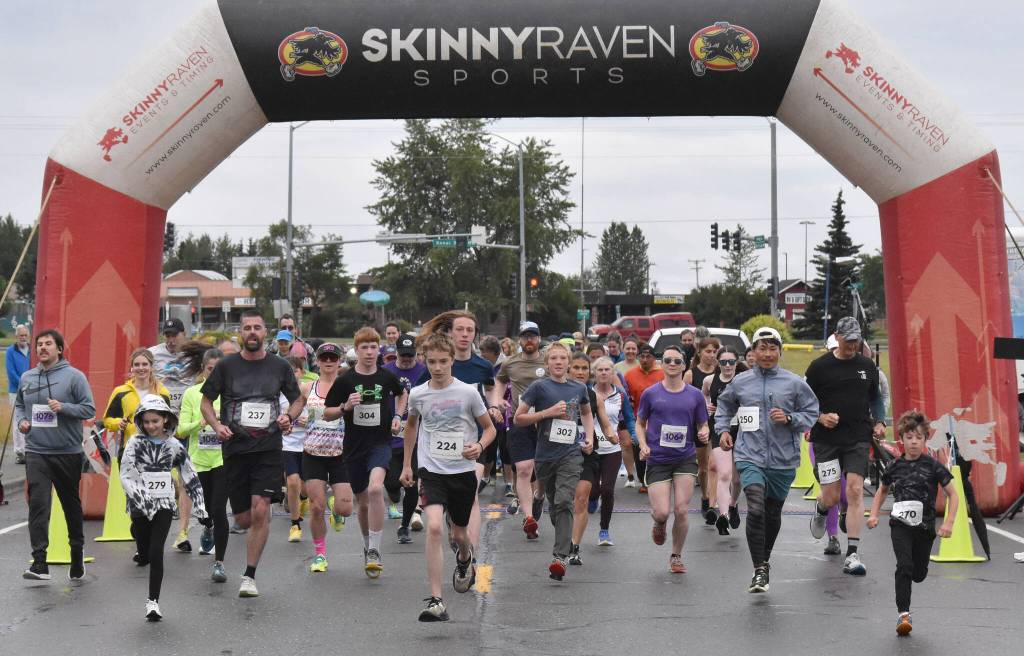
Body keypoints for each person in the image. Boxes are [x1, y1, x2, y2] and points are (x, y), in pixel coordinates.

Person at [200, 310, 304, 598]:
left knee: (261, 509)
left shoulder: (279, 366)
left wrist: (288, 418)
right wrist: (217, 425)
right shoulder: (226, 366)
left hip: (268, 448)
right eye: (247, 328)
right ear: (241, 333)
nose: (252, 332)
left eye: (257, 327)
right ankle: (250, 525)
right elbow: (206, 402)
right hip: (235, 449)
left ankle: (249, 575)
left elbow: (298, 400)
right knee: (244, 519)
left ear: (265, 332)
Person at [716, 327, 819, 593]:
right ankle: (759, 569)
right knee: (757, 507)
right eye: (762, 348)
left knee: (772, 514)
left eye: (773, 348)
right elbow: (725, 405)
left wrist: (790, 419)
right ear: (753, 352)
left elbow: (811, 410)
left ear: (780, 352)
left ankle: (765, 560)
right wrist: (724, 430)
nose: (767, 354)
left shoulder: (794, 382)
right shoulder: (741, 382)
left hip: (784, 460)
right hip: (749, 455)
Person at [401, 332, 496, 621]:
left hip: (462, 472)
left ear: (453, 360)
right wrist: (407, 465)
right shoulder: (418, 394)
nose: (438, 367)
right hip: (431, 471)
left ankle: (465, 559)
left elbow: (489, 429)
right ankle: (436, 600)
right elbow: (411, 428)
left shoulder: (467, 392)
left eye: (443, 361)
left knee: (458, 534)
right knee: (433, 528)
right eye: (432, 362)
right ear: (424, 361)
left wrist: (478, 446)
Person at [805, 317, 886, 576]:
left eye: (856, 340)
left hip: (858, 438)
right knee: (830, 496)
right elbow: (803, 400)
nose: (852, 345)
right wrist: (820, 417)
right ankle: (820, 509)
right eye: (848, 340)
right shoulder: (819, 367)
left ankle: (852, 553)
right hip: (827, 441)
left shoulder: (866, 366)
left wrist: (881, 421)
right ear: (837, 337)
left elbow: (876, 398)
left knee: (854, 491)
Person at [324, 327, 407, 578]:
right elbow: (327, 413)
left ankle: (375, 550)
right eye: (365, 348)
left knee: (375, 490)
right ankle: (366, 545)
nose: (370, 352)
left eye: (374, 347)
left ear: (378, 349)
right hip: (354, 447)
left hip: (380, 443)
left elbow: (403, 394)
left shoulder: (386, 377)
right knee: (362, 503)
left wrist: (396, 415)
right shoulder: (345, 380)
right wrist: (344, 406)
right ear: (356, 350)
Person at [867, 410, 957, 636]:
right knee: (904, 566)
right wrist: (874, 514)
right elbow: (882, 490)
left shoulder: (934, 466)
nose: (914, 442)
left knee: (918, 573)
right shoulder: (895, 466)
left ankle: (913, 582)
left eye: (918, 438)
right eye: (909, 438)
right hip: (900, 525)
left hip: (925, 528)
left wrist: (949, 523)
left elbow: (953, 495)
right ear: (902, 439)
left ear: (926, 440)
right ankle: (903, 614)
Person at [16, 329, 96, 582]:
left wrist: (64, 407)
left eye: (48, 344)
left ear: (59, 349)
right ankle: (39, 562)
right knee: (38, 505)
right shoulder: (27, 377)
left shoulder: (74, 377)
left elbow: (89, 408)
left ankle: (76, 553)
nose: (42, 348)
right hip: (37, 451)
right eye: (39, 344)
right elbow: (20, 405)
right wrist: (22, 422)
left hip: (67, 452)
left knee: (70, 504)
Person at [120, 394, 209, 621]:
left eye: (155, 421)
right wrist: (143, 500)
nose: (151, 426)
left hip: (164, 504)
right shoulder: (134, 444)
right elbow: (127, 475)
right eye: (147, 421)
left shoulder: (174, 446)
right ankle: (141, 548)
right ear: (141, 421)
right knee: (144, 543)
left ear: (166, 421)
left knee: (157, 551)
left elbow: (189, 475)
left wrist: (201, 508)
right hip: (139, 504)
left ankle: (153, 602)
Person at [417, 311, 495, 552]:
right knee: (451, 503)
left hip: (473, 441)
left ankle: (470, 551)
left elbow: (491, 392)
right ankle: (457, 528)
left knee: (472, 495)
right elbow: (420, 403)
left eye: (469, 330)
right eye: (459, 329)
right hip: (440, 444)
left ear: (475, 335)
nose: (464, 334)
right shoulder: (436, 364)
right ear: (450, 333)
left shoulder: (483, 366)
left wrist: (495, 406)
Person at [514, 342, 594, 580]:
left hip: (570, 453)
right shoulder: (539, 387)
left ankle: (560, 557)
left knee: (563, 501)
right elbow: (519, 418)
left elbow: (587, 412)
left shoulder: (579, 388)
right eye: (554, 359)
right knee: (554, 504)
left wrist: (588, 437)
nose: (558, 362)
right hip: (545, 454)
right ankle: (538, 497)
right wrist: (546, 413)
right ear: (547, 363)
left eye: (562, 358)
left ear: (569, 363)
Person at [636, 345, 709, 574]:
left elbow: (702, 423)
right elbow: (640, 423)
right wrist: (644, 444)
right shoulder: (651, 393)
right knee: (661, 512)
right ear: (662, 363)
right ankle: (659, 524)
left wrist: (704, 431)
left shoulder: (695, 395)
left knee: (682, 509)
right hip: (657, 458)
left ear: (684, 365)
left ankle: (676, 555)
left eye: (677, 361)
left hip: (684, 458)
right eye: (668, 360)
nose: (672, 364)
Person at [177, 347, 230, 582]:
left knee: (219, 510)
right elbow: (180, 430)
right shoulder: (192, 393)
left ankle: (219, 563)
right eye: (211, 370)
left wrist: (224, 426)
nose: (215, 374)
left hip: (223, 459)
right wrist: (202, 422)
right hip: (198, 459)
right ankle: (206, 526)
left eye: (219, 370)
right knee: (205, 511)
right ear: (203, 369)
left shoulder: (231, 393)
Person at [490, 321, 547, 532]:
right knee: (523, 469)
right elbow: (499, 382)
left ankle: (539, 496)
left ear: (539, 339)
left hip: (545, 421)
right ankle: (529, 517)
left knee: (542, 469)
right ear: (520, 339)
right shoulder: (510, 363)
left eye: (533, 336)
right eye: (525, 336)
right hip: (519, 420)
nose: (529, 340)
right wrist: (497, 402)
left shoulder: (549, 360)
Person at [302, 343, 353, 573]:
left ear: (339, 360)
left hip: (341, 454)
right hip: (313, 453)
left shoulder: (347, 387)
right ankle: (320, 554)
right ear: (318, 361)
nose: (329, 361)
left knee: (345, 510)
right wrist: (289, 420)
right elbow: (294, 409)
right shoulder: (307, 388)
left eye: (333, 357)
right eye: (325, 357)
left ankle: (336, 511)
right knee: (315, 507)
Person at [567, 353, 616, 564]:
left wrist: (611, 435)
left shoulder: (593, 396)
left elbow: (604, 423)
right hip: (558, 453)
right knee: (561, 502)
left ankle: (574, 547)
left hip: (586, 452)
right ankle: (540, 496)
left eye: (584, 369)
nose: (580, 372)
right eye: (576, 368)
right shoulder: (555, 391)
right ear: (569, 370)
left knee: (582, 498)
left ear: (590, 372)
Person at [383, 334, 428, 542]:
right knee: (392, 483)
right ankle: (393, 494)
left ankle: (404, 526)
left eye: (411, 355)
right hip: (390, 435)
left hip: (417, 436)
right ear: (396, 352)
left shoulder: (423, 371)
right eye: (403, 355)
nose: (407, 359)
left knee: (411, 482)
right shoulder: (387, 371)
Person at [703, 345, 744, 535]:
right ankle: (724, 515)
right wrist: (707, 407)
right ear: (718, 363)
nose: (727, 365)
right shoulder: (710, 380)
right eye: (723, 362)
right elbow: (703, 396)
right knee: (725, 474)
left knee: (737, 479)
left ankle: (733, 504)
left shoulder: (745, 380)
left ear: (737, 362)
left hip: (743, 430)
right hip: (719, 429)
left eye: (731, 362)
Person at [684, 337, 721, 525]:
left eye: (715, 351)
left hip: (718, 423)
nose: (711, 355)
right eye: (708, 351)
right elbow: (685, 399)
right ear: (699, 353)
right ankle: (705, 497)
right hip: (699, 424)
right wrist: (702, 408)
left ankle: (713, 501)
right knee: (703, 467)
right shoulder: (691, 374)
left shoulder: (722, 372)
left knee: (715, 465)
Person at [624, 343, 664, 492]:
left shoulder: (662, 374)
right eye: (642, 356)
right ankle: (642, 479)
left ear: (654, 358)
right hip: (637, 418)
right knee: (638, 448)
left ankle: (656, 479)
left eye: (649, 356)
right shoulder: (630, 374)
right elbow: (626, 398)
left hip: (658, 418)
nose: (645, 359)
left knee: (656, 449)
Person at [479, 336, 515, 498]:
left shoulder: (506, 366)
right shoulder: (482, 367)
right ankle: (485, 477)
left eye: (485, 354)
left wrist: (502, 406)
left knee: (505, 448)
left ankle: (509, 483)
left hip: (504, 412)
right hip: (485, 411)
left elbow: (510, 388)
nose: (482, 357)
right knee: (488, 447)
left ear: (495, 353)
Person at [283, 357, 311, 543]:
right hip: (287, 445)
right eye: (289, 371)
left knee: (307, 487)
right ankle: (295, 524)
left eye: (295, 371)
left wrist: (308, 421)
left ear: (302, 372)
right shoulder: (278, 394)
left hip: (309, 445)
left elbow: (323, 416)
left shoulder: (311, 391)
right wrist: (285, 423)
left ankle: (303, 498)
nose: (293, 375)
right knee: (292, 482)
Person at [150, 318, 192, 414]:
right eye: (168, 336)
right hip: (161, 408)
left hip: (187, 409)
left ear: (184, 334)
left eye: (175, 336)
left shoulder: (194, 354)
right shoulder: (153, 353)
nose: (171, 341)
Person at [6, 324, 31, 464]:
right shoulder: (10, 351)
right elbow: (11, 373)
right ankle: (19, 452)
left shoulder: (32, 350)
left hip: (31, 391)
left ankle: (28, 450)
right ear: (16, 336)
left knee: (30, 420)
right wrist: (23, 385)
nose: (23, 338)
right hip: (15, 391)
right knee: (17, 421)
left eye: (25, 335)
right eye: (21, 335)